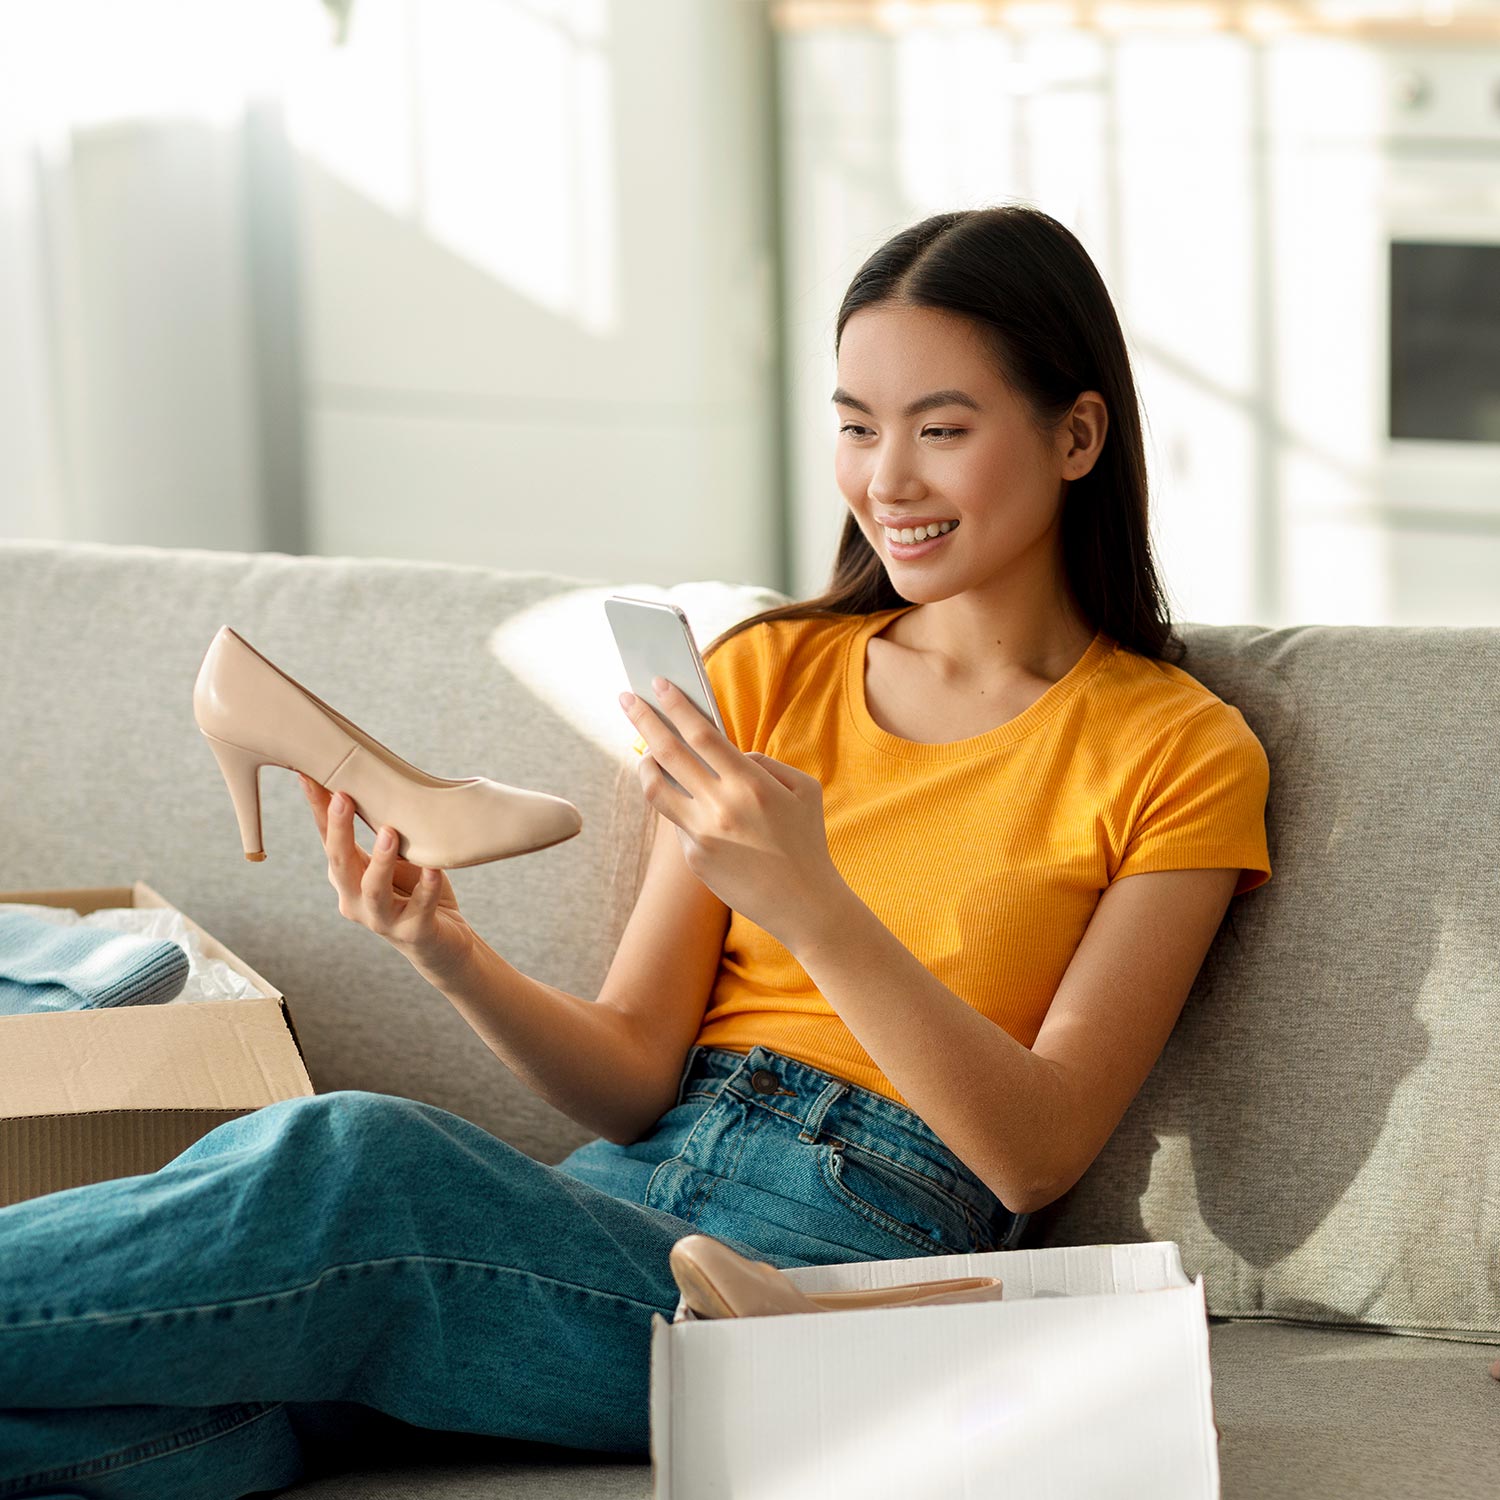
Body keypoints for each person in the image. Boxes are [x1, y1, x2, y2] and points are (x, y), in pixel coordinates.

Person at [0, 204, 1285, 1499]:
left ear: (1077, 434)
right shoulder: (771, 673)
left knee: (347, 1161)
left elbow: (1036, 1151)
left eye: (940, 430)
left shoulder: (1179, 750)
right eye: (854, 424)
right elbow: (631, 1071)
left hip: (827, 1272)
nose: (885, 479)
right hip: (613, 1202)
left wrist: (811, 900)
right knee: (200, 1420)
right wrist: (447, 952)